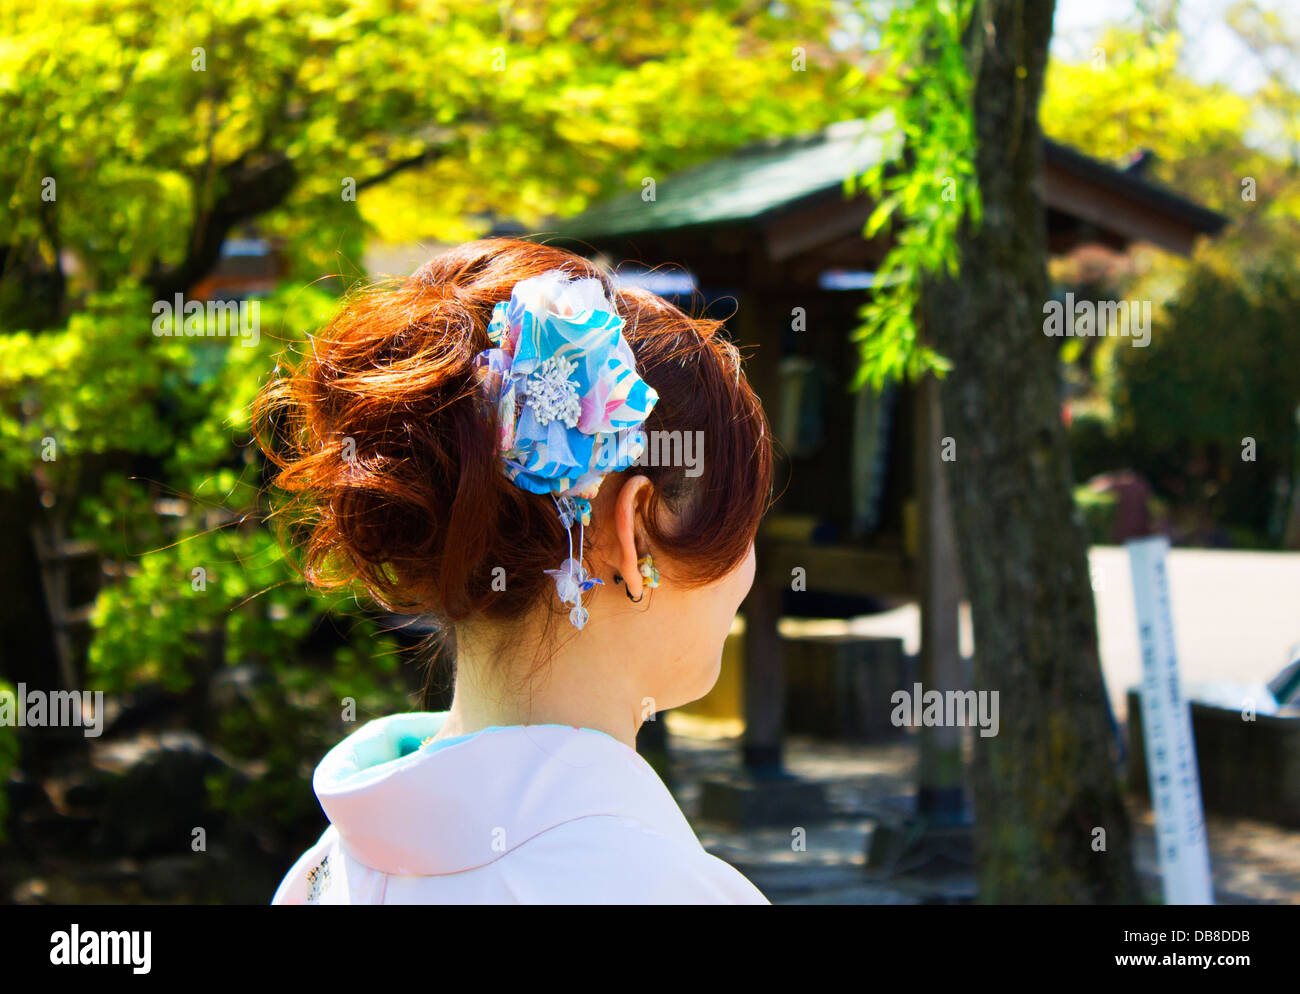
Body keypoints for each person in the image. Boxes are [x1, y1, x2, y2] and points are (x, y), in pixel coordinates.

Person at [258, 238, 773, 904]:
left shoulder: (323, 873)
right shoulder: (665, 889)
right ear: (634, 533)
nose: (749, 571)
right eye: (743, 525)